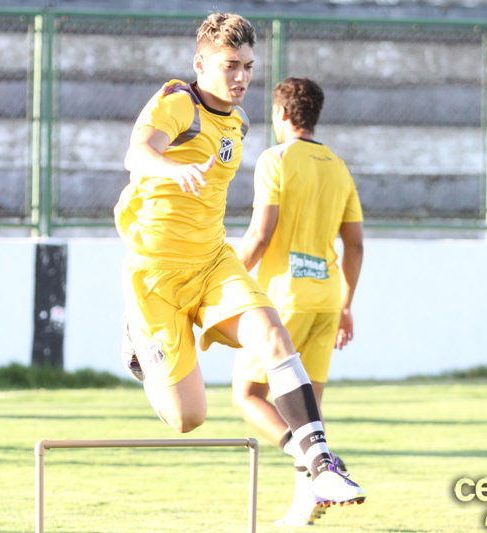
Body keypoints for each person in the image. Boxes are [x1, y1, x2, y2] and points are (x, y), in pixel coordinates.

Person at [114, 14, 366, 506]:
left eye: (249, 66)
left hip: (212, 263)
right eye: (231, 65)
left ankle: (320, 467)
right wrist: (170, 169)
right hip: (155, 277)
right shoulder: (176, 103)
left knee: (274, 336)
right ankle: (138, 339)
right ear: (201, 63)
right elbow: (137, 153)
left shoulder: (241, 121)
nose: (242, 77)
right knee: (188, 418)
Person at [232, 77, 365, 526]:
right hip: (327, 300)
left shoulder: (276, 159)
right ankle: (304, 503)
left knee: (248, 394)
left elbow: (259, 235)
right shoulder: (339, 166)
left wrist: (221, 284)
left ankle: (320, 465)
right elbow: (356, 246)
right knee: (310, 408)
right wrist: (346, 304)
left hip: (284, 299)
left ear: (283, 114)